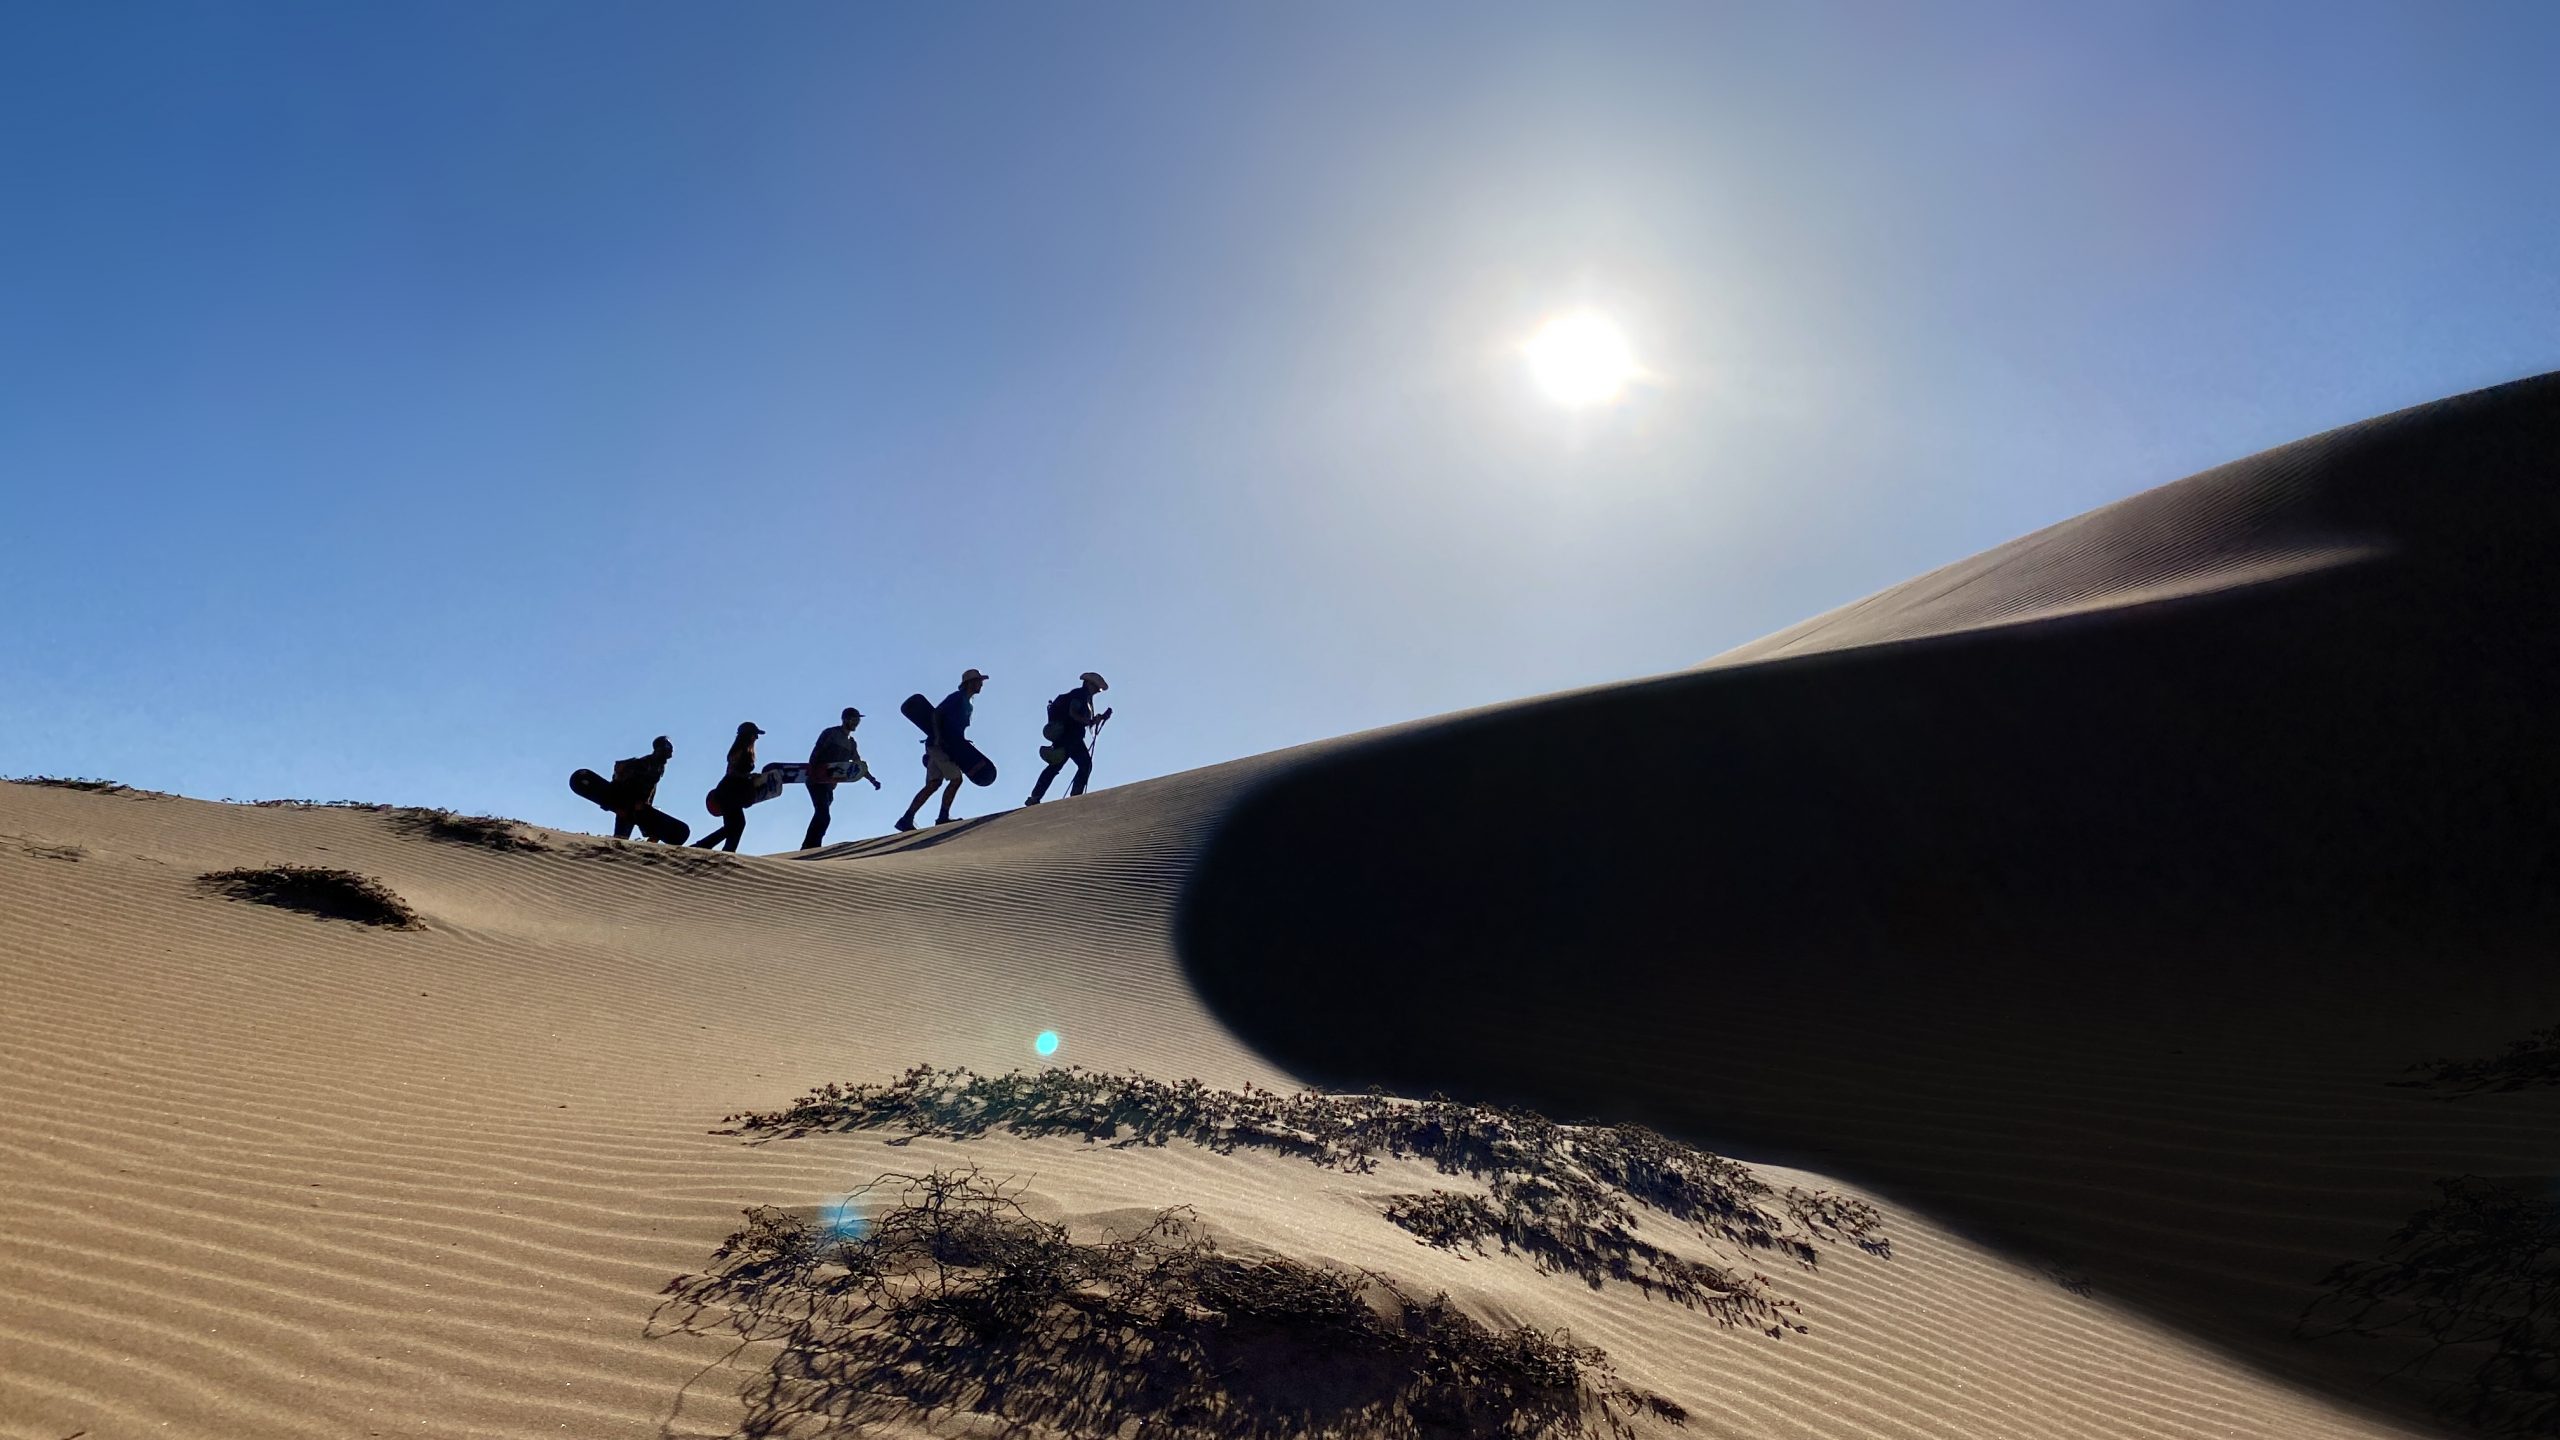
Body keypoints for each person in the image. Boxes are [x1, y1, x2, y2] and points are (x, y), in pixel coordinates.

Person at [895, 668, 986, 832]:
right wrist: (937, 737)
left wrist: (961, 742)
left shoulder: (967, 703)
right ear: (969, 683)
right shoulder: (957, 698)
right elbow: (937, 713)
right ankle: (942, 817)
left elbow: (955, 727)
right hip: (940, 747)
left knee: (933, 784)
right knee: (956, 779)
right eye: (978, 681)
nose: (981, 684)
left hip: (939, 746)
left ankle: (906, 819)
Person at [1027, 671, 1113, 805]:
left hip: (1064, 737)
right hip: (1071, 737)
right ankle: (1075, 797)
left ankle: (1034, 797)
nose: (1097, 691)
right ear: (1088, 683)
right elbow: (1073, 714)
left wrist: (1096, 720)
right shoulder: (1081, 695)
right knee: (1085, 764)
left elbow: (1079, 718)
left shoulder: (1081, 696)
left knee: (1055, 767)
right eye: (1096, 687)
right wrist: (1090, 722)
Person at [802, 707, 879, 849]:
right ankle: (810, 847)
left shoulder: (851, 743)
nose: (856, 723)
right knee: (823, 815)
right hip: (816, 781)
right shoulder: (830, 733)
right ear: (845, 720)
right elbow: (816, 752)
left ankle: (810, 846)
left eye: (858, 721)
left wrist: (871, 779)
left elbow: (858, 764)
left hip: (829, 785)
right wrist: (812, 772)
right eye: (854, 720)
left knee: (822, 816)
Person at [692, 721, 764, 851]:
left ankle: (724, 850)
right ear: (747, 735)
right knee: (736, 824)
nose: (756, 738)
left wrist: (749, 777)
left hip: (733, 792)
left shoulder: (744, 750)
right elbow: (733, 772)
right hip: (728, 792)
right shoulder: (739, 751)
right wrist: (748, 777)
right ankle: (704, 847)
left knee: (735, 824)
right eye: (754, 735)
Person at [608, 735, 675, 841]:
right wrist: (618, 800)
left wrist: (647, 803)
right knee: (621, 837)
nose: (671, 750)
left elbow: (651, 787)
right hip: (628, 804)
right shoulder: (644, 763)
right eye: (668, 747)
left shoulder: (659, 767)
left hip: (641, 806)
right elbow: (619, 767)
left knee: (654, 830)